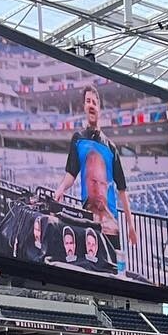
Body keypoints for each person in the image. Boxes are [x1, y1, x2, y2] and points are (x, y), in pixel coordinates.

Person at [55, 84, 137, 264]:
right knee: (90, 265)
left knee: (114, 268)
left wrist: (130, 225)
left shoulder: (111, 147)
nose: (91, 105)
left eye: (94, 102)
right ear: (84, 107)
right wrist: (61, 189)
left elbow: (122, 189)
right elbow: (71, 173)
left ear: (99, 107)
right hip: (88, 221)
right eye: (88, 101)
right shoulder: (78, 139)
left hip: (110, 225)